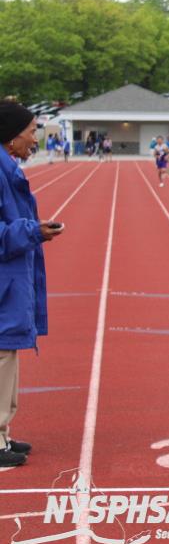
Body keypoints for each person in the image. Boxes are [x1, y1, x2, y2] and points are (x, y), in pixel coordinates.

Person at [0, 102, 65, 467]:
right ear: (11, 138)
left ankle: (2, 433)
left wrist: (33, 231)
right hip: (4, 280)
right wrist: (32, 231)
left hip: (11, 279)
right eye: (31, 131)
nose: (35, 138)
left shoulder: (8, 168)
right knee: (1, 357)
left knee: (7, 355)